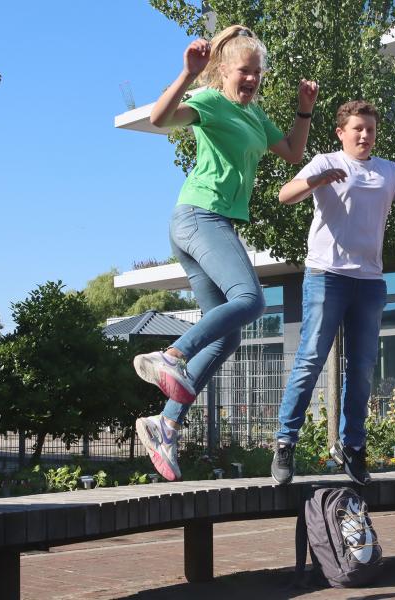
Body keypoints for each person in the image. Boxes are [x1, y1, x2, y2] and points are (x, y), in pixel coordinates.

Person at [132, 25, 318, 482]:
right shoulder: (209, 101)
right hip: (198, 216)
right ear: (223, 70)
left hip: (211, 224)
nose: (252, 79)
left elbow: (294, 154)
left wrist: (303, 111)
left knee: (228, 336)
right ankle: (171, 356)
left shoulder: (255, 116)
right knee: (250, 300)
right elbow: (159, 118)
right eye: (244, 71)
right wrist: (185, 75)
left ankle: (166, 423)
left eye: (257, 72)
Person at [271, 100, 395, 486]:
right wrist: (315, 180)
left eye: (371, 130)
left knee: (361, 369)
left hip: (368, 282)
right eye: (358, 128)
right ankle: (286, 441)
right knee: (310, 358)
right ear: (341, 133)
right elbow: (285, 195)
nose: (365, 135)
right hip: (326, 276)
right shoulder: (325, 162)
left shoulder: (387, 171)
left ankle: (354, 447)